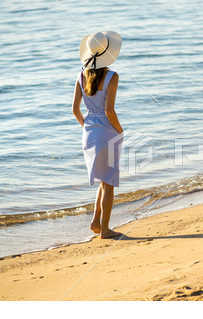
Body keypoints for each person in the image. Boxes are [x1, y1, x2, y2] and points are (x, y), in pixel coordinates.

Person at [72, 31, 123, 239]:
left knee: (104, 179)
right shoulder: (112, 76)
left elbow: (75, 110)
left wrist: (88, 127)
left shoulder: (80, 75)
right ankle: (105, 229)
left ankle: (95, 222)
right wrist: (119, 130)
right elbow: (109, 111)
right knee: (108, 182)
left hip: (89, 132)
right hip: (107, 131)